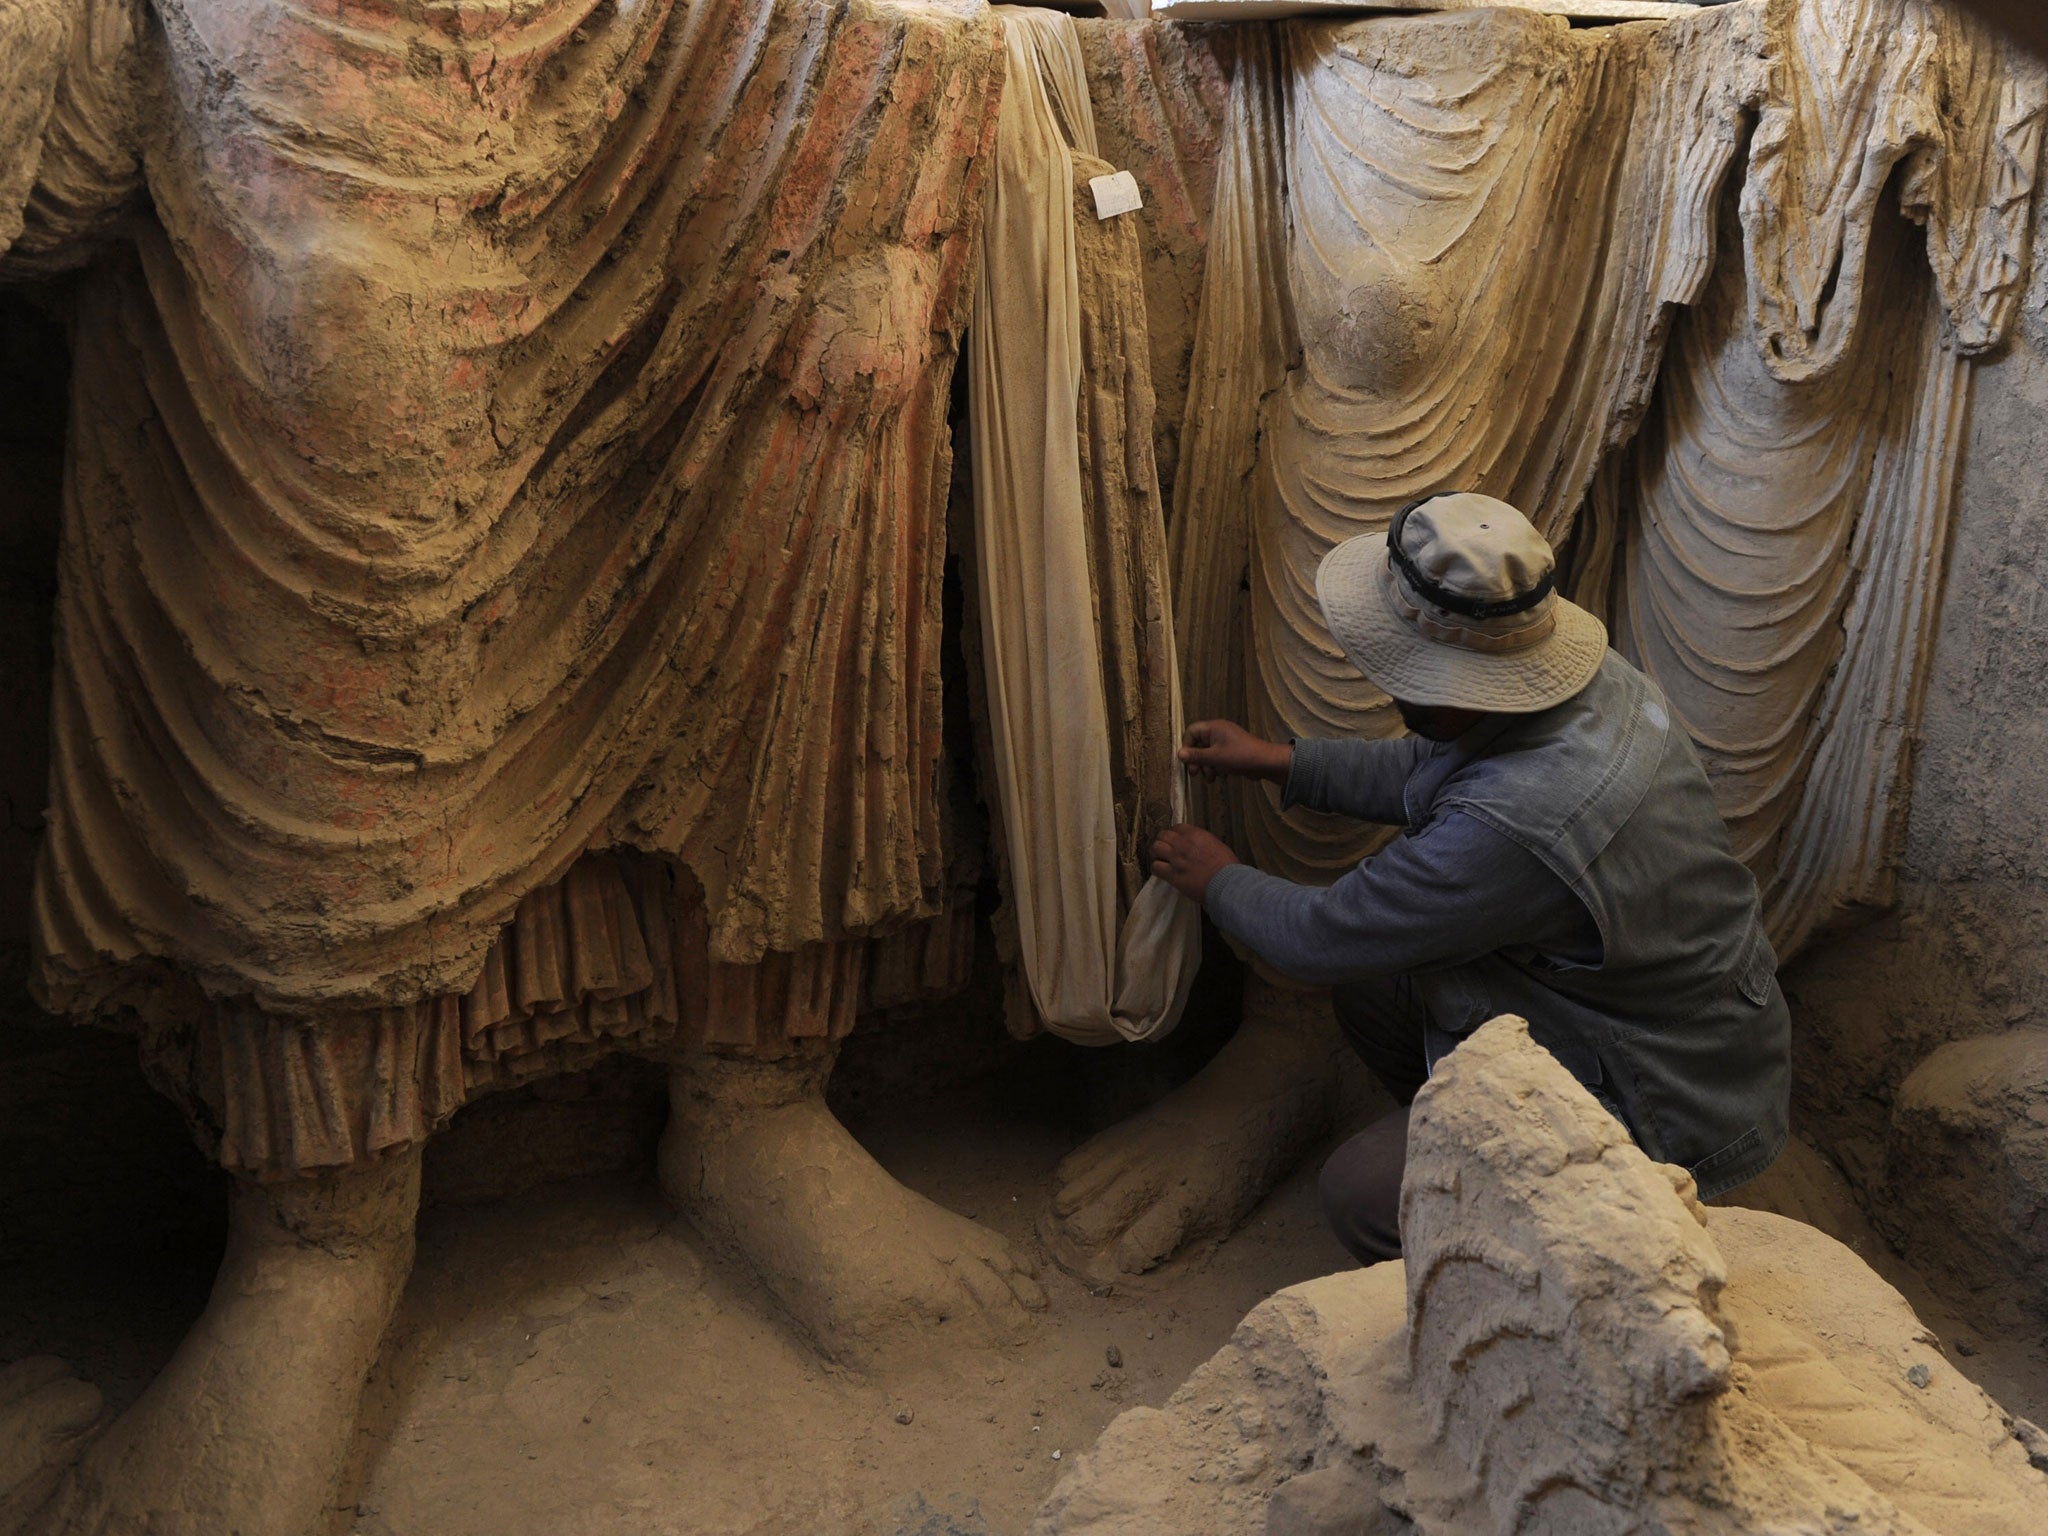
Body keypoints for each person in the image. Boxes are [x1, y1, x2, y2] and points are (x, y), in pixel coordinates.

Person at [1147, 492, 1791, 1264]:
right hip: (1648, 1014)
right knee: (1379, 990)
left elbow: (1325, 936)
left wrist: (1217, 878)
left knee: (1362, 1195)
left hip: (1663, 1091)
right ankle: (1474, 1144)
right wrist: (1282, 760)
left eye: (1410, 676)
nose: (1394, 691)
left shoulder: (1517, 822)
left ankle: (1543, 1264)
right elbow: (1439, 765)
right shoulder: (1571, 685)